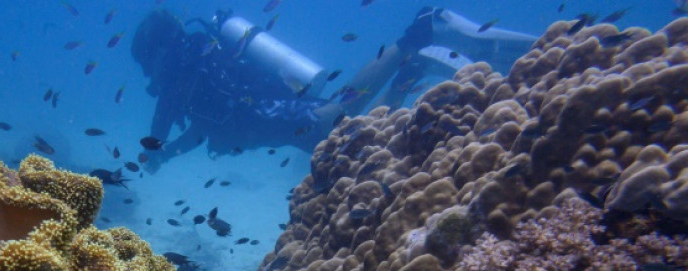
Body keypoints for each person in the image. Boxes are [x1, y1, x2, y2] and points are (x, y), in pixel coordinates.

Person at [131, 7, 537, 172]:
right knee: (356, 137)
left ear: (159, 49)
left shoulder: (179, 69)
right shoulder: (194, 65)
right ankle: (408, 69)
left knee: (340, 116)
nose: (149, 73)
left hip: (270, 115)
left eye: (147, 62)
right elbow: (201, 130)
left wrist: (154, 153)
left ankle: (418, 33)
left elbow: (160, 125)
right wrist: (167, 155)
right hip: (268, 122)